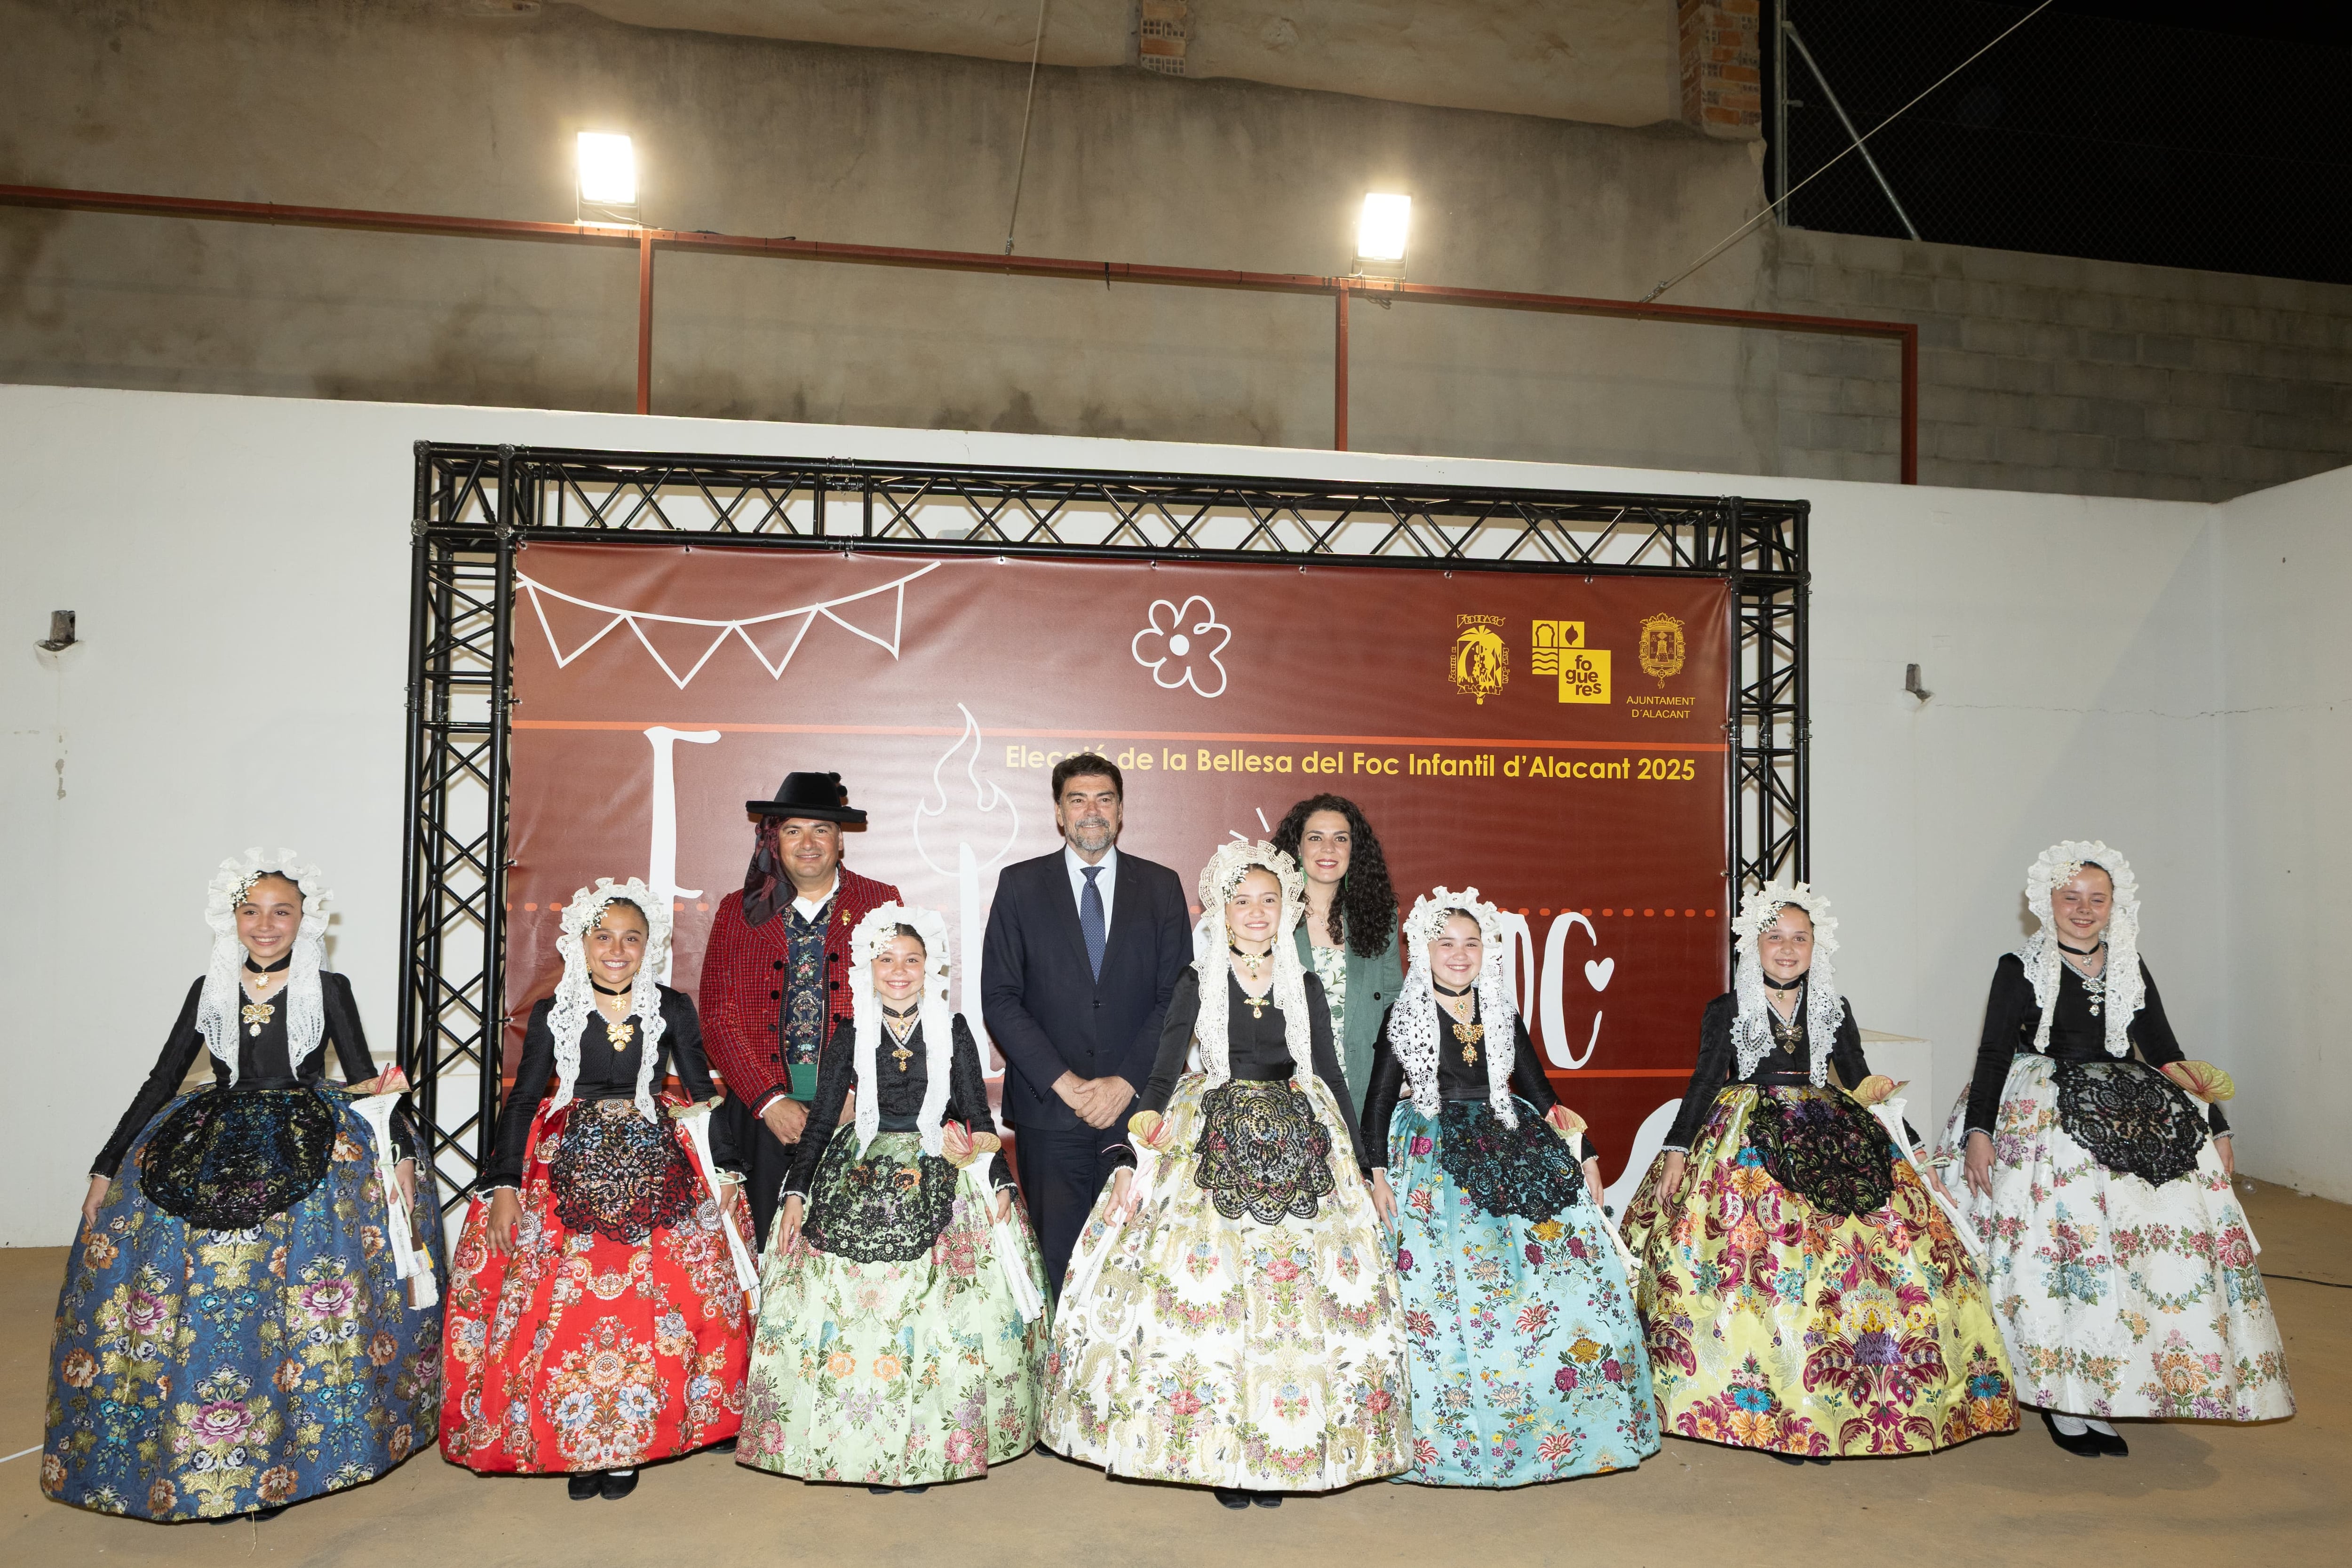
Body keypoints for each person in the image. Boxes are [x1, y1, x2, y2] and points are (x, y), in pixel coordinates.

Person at [45, 850, 441, 1522]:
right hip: (211, 1139)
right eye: (252, 911)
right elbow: (161, 1080)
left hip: (308, 1138)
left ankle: (280, 1458)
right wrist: (107, 1164)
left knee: (289, 1309)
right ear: (231, 919)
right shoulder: (209, 988)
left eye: (281, 911)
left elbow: (362, 1074)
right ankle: (214, 1451)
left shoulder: (329, 986)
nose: (266, 924)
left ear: (303, 919)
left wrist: (398, 1151)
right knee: (212, 1305)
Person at [1043, 840, 1411, 1508]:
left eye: (1269, 901)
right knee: (1216, 1297)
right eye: (1242, 901)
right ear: (1220, 908)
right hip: (1210, 1130)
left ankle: (1279, 1446)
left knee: (1292, 1306)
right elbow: (1160, 1075)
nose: (1255, 912)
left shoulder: (1301, 982)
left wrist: (1363, 1163)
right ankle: (1222, 1455)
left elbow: (1327, 1072)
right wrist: (1130, 1154)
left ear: (1288, 910)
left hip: (1302, 1138)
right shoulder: (1195, 980)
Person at [1622, 880, 2018, 1463]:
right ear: (1751, 946)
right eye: (1774, 937)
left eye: (1799, 938)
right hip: (1746, 1136)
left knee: (1840, 1265)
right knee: (1767, 1265)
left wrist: (1913, 1153)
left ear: (1817, 946)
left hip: (1827, 1127)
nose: (1786, 948)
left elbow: (1859, 1077)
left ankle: (1825, 1398)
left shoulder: (1833, 1007)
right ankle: (1775, 1407)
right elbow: (1704, 1081)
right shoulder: (1726, 1009)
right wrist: (1679, 1148)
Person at [1937, 841, 2292, 1455]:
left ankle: (2104, 1390)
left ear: (2111, 906)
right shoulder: (2018, 967)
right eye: (2071, 897)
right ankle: (2062, 1400)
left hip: (2125, 1109)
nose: (2083, 909)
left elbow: (2165, 1049)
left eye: (2096, 899)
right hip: (2045, 1119)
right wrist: (1979, 1132)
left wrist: (2218, 1124)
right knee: (2064, 1260)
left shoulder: (2129, 962)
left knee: (2128, 1260)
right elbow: (1993, 1055)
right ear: (2047, 899)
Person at [440, 878, 753, 1499]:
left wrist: (726, 1169)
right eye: (603, 936)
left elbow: (700, 1091)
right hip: (566, 1157)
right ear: (579, 943)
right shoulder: (555, 1010)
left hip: (656, 1153)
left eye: (631, 938)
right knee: (569, 1306)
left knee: (651, 1303)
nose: (617, 948)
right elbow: (525, 1097)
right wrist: (505, 1183)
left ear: (650, 946)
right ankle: (578, 1442)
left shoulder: (673, 1006)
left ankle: (629, 1443)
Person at [738, 904, 1048, 1492]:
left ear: (930, 967)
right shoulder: (851, 1032)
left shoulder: (952, 1028)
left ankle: (931, 1443)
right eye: (887, 960)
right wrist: (799, 1190)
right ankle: (865, 1442)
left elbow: (975, 1111)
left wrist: (1000, 1179)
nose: (899, 971)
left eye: (911, 960)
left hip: (940, 1163)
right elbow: (825, 1115)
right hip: (858, 1165)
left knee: (940, 1316)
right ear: (868, 968)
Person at [1362, 887, 1659, 1486]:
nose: (1459, 953)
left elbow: (1543, 1092)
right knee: (1453, 1295)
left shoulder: (1501, 1013)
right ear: (1423, 950)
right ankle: (1454, 1440)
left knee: (1552, 1285)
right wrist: (1375, 1173)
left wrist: (1588, 1152)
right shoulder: (1406, 1015)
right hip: (1431, 1154)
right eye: (1445, 943)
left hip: (1510, 1137)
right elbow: (1375, 1101)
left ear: (1486, 953)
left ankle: (1558, 1427)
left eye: (1471, 943)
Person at [981, 753, 1190, 1294]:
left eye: (1104, 800)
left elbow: (1176, 998)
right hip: (1051, 1112)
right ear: (1058, 812)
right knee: (1059, 1260)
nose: (1091, 811)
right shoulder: (1020, 885)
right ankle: (1060, 1379)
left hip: (1138, 1110)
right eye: (1078, 800)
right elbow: (1000, 998)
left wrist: (1124, 1082)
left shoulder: (1161, 886)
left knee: (1136, 1264)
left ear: (1120, 812)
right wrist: (1065, 1083)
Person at [700, 772, 900, 1249]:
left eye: (821, 830)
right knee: (767, 1249)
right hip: (763, 1116)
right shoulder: (737, 910)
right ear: (775, 840)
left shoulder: (880, 902)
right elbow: (715, 1017)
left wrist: (856, 1093)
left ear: (840, 842)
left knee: (850, 1253)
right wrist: (769, 1102)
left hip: (856, 1111)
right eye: (793, 831)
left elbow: (896, 1006)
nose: (808, 843)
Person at [1271, 794, 1404, 1114]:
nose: (1328, 848)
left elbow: (1393, 1004)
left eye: (1340, 838)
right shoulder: (1271, 916)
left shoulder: (1380, 918)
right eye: (1315, 837)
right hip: (1290, 1086)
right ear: (1298, 848)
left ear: (1353, 850)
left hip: (1363, 1086)